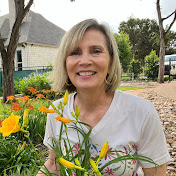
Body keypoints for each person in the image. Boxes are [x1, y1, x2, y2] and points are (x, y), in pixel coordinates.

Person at [37, 19, 170, 176]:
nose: (85, 61)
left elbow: (156, 172)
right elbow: (54, 163)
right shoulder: (56, 112)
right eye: (74, 52)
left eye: (96, 51)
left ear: (111, 61)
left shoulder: (141, 112)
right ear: (65, 63)